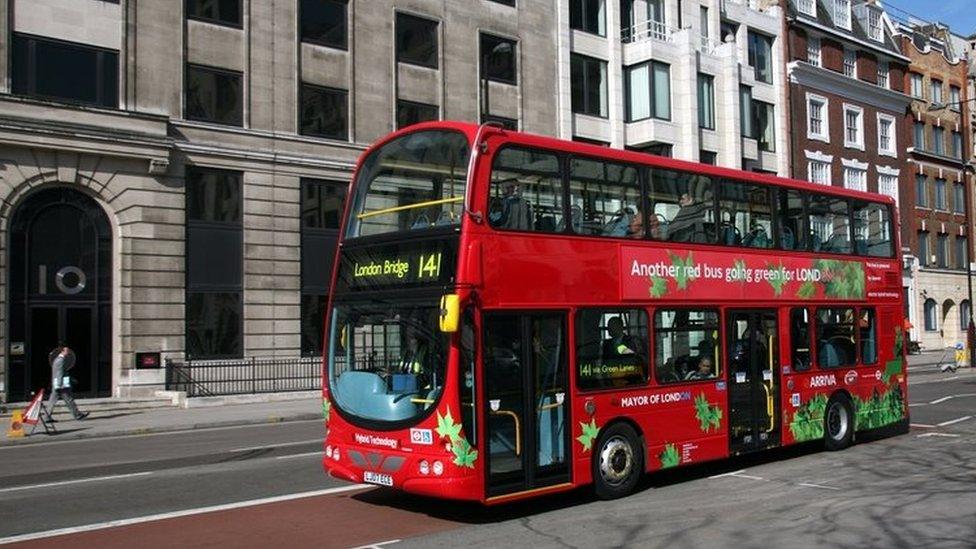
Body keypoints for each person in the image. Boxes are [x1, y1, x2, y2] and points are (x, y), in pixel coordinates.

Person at [45, 344, 88, 421]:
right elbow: (59, 373)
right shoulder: (60, 360)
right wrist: (59, 384)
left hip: (57, 384)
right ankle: (78, 415)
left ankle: (47, 417)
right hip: (61, 385)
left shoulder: (57, 359)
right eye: (66, 350)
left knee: (52, 401)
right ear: (62, 351)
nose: (68, 352)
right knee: (69, 400)